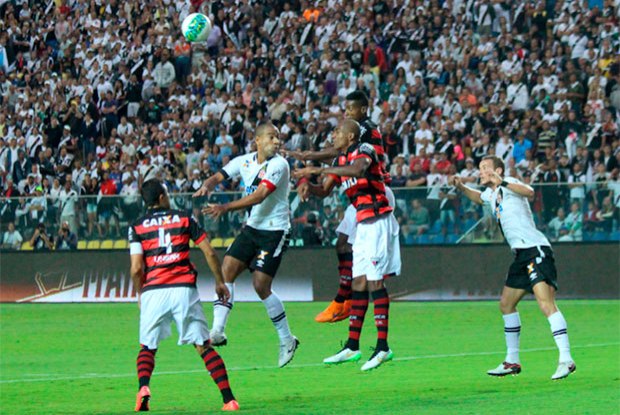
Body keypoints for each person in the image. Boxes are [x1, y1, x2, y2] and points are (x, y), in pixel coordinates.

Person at [449, 155, 576, 380]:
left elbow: (529, 192)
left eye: (485, 168)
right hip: (520, 255)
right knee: (506, 305)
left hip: (535, 249)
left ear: (498, 170)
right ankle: (512, 361)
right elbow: (479, 197)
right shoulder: (492, 194)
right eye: (480, 168)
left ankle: (566, 359)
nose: (481, 172)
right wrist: (460, 186)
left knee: (546, 304)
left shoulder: (509, 185)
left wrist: (502, 180)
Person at [293, 119, 400, 371]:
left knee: (375, 282)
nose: (333, 135)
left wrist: (317, 171)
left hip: (378, 220)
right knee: (359, 283)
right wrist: (309, 186)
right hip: (363, 224)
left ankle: (383, 347)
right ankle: (353, 345)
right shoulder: (339, 162)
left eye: (337, 132)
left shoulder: (365, 150)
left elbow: (359, 170)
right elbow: (325, 189)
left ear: (350, 136)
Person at [193, 123, 299, 368]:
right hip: (253, 227)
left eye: (278, 137)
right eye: (272, 137)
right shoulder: (245, 161)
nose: (277, 141)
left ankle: (287, 339)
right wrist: (208, 184)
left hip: (274, 230)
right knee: (226, 270)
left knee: (260, 285)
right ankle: (218, 330)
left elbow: (260, 195)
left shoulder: (279, 165)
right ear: (257, 141)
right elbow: (220, 174)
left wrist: (225, 207)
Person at [129, 180, 239, 412]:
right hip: (183, 289)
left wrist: (140, 294)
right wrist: (220, 282)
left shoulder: (136, 226)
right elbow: (209, 251)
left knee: (148, 347)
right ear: (161, 197)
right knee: (203, 346)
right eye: (166, 193)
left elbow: (136, 268)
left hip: (153, 291)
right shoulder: (185, 218)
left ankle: (144, 387)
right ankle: (229, 400)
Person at [286, 91, 393, 323]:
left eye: (350, 110)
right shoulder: (346, 155)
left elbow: (339, 153)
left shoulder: (365, 129)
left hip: (374, 193)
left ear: (362, 110)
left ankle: (344, 301)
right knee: (342, 244)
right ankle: (345, 301)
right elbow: (325, 188)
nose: (346, 114)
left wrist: (308, 157)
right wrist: (306, 180)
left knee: (355, 255)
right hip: (359, 197)